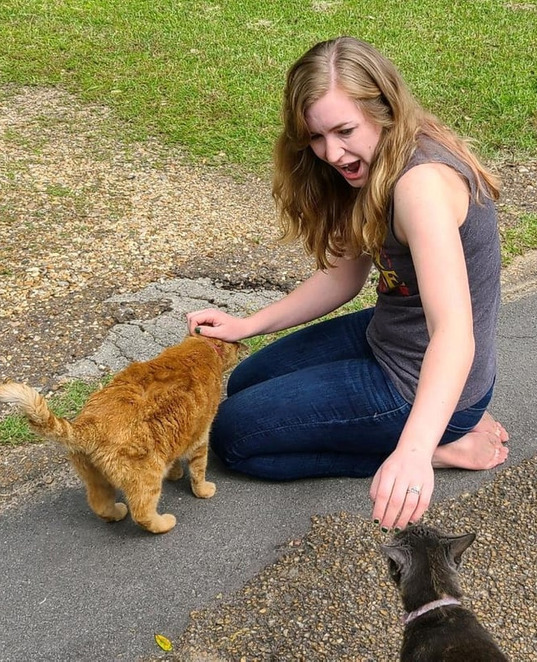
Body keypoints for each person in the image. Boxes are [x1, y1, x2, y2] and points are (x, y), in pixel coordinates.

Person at [186, 36, 509, 532]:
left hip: (424, 381)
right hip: (390, 335)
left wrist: (416, 452)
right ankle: (435, 432)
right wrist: (246, 325)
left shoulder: (420, 187)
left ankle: (443, 445)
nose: (332, 153)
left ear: (383, 108)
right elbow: (343, 276)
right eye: (316, 137)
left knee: (234, 438)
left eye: (344, 131)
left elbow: (453, 333)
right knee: (243, 381)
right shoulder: (379, 156)